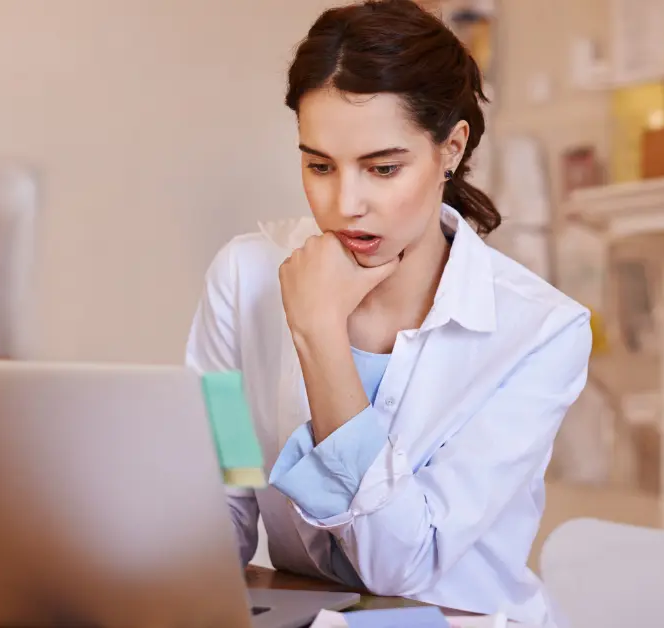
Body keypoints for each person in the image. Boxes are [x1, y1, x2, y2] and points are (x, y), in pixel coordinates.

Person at [185, 1, 590, 624]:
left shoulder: (539, 333)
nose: (346, 204)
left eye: (382, 168)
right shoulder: (243, 281)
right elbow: (228, 475)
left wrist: (319, 334)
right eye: (319, 165)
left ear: (451, 148)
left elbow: (403, 566)